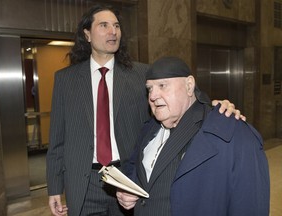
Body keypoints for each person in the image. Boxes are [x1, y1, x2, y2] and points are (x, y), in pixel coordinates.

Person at [46, 4, 244, 216]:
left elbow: (183, 95)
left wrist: (215, 105)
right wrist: (54, 188)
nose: (113, 31)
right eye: (104, 25)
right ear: (87, 34)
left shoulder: (140, 74)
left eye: (116, 26)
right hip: (84, 181)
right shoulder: (66, 80)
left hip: (128, 178)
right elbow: (57, 140)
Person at [116, 56, 270, 216]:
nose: (153, 96)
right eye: (150, 89)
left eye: (162, 85)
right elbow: (134, 166)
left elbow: (249, 205)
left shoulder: (233, 134)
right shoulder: (149, 128)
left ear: (189, 86)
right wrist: (128, 189)